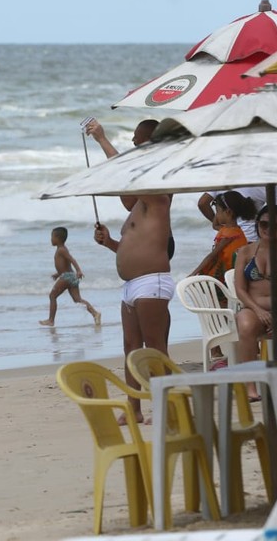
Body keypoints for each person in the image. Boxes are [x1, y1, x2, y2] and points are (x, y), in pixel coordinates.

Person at [86, 117, 173, 424]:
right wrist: (110, 242)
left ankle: (166, 408)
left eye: (138, 140)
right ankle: (134, 409)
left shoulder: (159, 194)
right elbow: (133, 245)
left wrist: (102, 139)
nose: (133, 144)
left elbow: (126, 170)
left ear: (149, 145)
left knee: (155, 349)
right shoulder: (140, 205)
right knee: (131, 348)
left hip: (152, 282)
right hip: (132, 285)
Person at [233, 205, 277, 400]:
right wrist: (258, 311)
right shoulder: (245, 252)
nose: (269, 229)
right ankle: (251, 388)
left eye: (275, 226)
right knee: (245, 325)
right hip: (254, 309)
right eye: (264, 224)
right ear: (257, 225)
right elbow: (240, 289)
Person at [39, 227, 100, 327]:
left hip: (67, 277)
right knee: (78, 300)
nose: (51, 239)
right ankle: (95, 313)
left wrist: (79, 270)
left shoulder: (61, 250)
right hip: (70, 276)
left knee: (52, 296)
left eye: (52, 237)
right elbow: (65, 266)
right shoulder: (62, 249)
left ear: (58, 238)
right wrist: (58, 274)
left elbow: (72, 260)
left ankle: (51, 320)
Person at [197, 186, 277, 242]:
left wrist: (225, 227)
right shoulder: (262, 185)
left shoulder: (223, 178)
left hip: (231, 239)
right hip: (253, 240)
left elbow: (202, 203)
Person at [189, 191, 250, 282]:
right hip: (224, 273)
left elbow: (212, 256)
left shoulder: (229, 235)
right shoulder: (227, 229)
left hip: (225, 277)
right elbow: (215, 225)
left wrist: (193, 273)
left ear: (228, 212)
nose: (216, 215)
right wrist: (217, 204)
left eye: (217, 211)